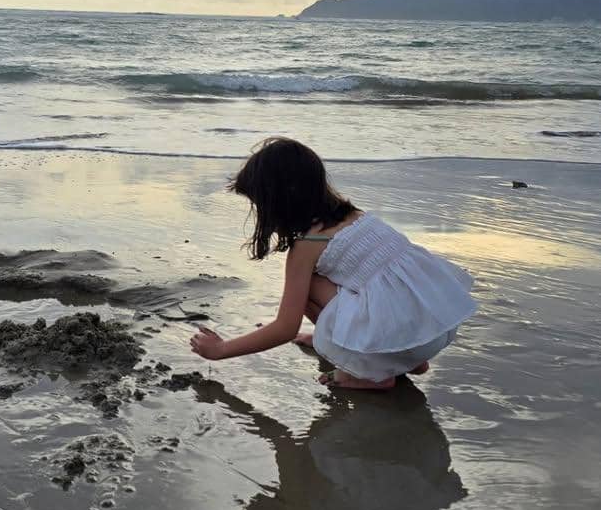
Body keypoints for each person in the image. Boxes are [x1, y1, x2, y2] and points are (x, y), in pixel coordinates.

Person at [189, 137, 477, 389]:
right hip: (432, 329)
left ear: (278, 203)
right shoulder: (358, 218)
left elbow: (285, 328)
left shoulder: (308, 245)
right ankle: (407, 361)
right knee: (361, 285)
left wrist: (221, 350)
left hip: (407, 337)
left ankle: (368, 375)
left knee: (308, 288)